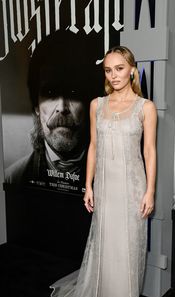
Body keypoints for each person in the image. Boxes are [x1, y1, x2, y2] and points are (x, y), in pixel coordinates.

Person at [49, 46, 157, 297]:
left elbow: (149, 151)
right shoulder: (97, 104)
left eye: (120, 68)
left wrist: (150, 191)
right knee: (108, 248)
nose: (114, 75)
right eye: (109, 70)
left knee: (129, 248)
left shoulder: (145, 107)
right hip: (106, 185)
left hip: (133, 184)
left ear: (132, 68)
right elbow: (93, 147)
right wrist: (89, 185)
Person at [5, 31, 102, 194]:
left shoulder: (114, 179)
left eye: (73, 92)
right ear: (36, 105)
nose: (62, 107)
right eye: (50, 93)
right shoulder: (13, 178)